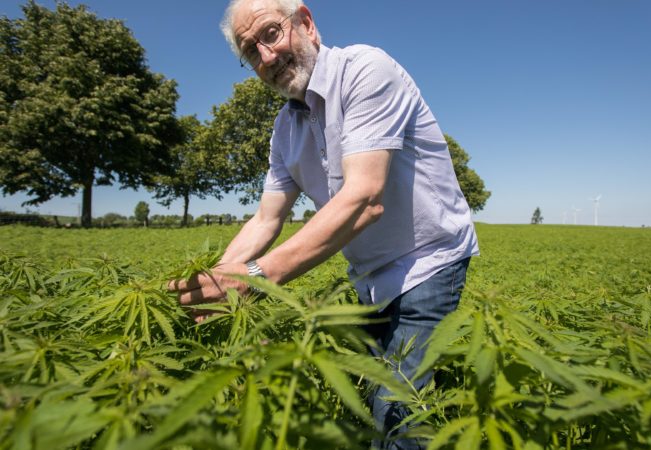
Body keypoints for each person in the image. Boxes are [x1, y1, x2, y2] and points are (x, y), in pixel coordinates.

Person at [169, 0, 479, 447]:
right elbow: (265, 218)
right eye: (251, 52)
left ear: (306, 23)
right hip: (370, 278)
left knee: (397, 413)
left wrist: (256, 278)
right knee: (373, 393)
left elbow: (364, 198)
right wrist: (216, 281)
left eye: (271, 34)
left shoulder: (367, 71)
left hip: (428, 261)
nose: (268, 57)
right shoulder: (284, 128)